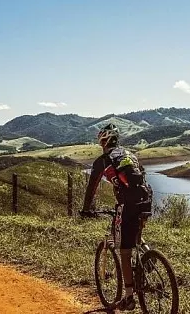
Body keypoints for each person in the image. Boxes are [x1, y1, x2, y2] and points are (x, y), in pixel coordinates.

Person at [80, 123, 153, 311]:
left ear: (103, 141)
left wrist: (86, 209)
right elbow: (142, 178)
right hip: (146, 199)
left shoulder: (103, 161)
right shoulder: (130, 155)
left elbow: (91, 188)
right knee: (135, 235)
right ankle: (149, 256)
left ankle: (129, 298)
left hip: (127, 205)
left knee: (124, 250)